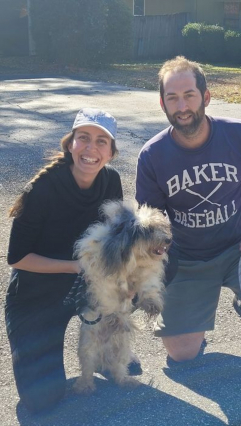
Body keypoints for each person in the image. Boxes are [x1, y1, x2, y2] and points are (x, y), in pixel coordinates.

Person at [135, 56, 241, 364]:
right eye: (173, 98)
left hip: (238, 250)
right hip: (186, 260)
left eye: (189, 95)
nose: (182, 107)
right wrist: (148, 266)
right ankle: (195, 314)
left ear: (206, 97)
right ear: (163, 104)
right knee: (181, 354)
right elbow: (150, 221)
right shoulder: (152, 156)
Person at [5, 108, 127, 414]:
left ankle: (101, 351)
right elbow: (18, 259)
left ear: (111, 153)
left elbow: (114, 237)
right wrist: (75, 266)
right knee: (42, 399)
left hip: (83, 286)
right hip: (36, 296)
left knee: (152, 273)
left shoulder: (111, 181)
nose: (91, 148)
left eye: (102, 142)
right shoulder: (41, 190)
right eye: (83, 138)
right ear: (70, 143)